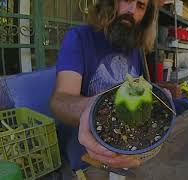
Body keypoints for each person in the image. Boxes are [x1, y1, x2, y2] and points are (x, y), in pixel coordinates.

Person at [50, 0, 159, 178]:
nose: (132, 10)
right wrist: (91, 109)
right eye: (128, 0)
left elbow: (140, 94)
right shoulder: (79, 37)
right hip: (85, 151)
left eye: (140, 6)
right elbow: (60, 100)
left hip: (126, 145)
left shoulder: (135, 48)